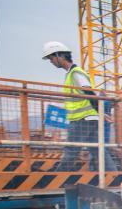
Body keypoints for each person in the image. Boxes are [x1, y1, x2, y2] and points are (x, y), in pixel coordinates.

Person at [42, 41, 117, 172]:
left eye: (51, 58)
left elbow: (88, 91)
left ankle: (58, 177)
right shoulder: (71, 74)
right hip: (90, 119)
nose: (51, 62)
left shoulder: (75, 73)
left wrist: (100, 111)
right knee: (98, 151)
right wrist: (100, 112)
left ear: (59, 55)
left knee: (71, 150)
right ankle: (116, 177)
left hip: (82, 120)